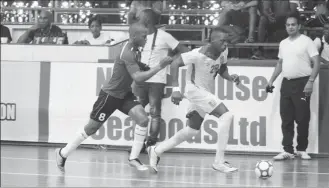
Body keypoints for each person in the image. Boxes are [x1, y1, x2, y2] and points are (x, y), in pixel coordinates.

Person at [55, 23, 173, 171]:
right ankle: (63, 153)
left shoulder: (135, 49)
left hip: (124, 94)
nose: (146, 39)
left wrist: (143, 66)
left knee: (143, 119)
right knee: (91, 128)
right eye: (143, 36)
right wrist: (160, 66)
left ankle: (133, 158)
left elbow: (135, 67)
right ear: (134, 36)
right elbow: (138, 78)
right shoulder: (127, 52)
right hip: (110, 95)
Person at [147, 26, 241, 173]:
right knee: (227, 115)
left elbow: (222, 68)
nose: (225, 44)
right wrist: (176, 90)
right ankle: (219, 162)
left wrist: (230, 77)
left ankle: (156, 150)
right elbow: (174, 63)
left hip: (206, 92)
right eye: (222, 41)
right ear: (212, 41)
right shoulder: (197, 54)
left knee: (191, 130)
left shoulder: (223, 51)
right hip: (194, 91)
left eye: (227, 41)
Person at [132, 9, 190, 151]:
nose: (138, 19)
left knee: (154, 113)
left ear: (147, 19)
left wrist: (173, 61)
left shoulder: (164, 36)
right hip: (141, 78)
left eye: (141, 17)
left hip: (157, 80)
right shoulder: (140, 35)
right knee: (137, 111)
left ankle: (150, 145)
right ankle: (138, 145)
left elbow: (185, 51)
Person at [266, 12, 320, 160]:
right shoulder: (283, 43)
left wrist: (310, 81)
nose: (290, 27)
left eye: (293, 24)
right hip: (287, 83)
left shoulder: (306, 41)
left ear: (299, 26)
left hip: (303, 82)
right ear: (286, 27)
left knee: (302, 118)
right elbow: (280, 63)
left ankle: (301, 149)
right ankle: (288, 150)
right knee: (286, 118)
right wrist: (271, 80)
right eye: (288, 25)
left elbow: (317, 63)